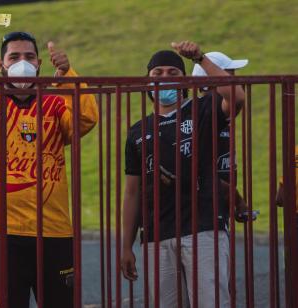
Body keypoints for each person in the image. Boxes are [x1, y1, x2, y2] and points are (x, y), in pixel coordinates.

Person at [0, 19, 98, 308]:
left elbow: (86, 119)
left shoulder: (56, 102)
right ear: (0, 65)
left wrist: (67, 75)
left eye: (28, 57)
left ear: (39, 64)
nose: (22, 63)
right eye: (14, 57)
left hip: (52, 229)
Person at [121, 41, 245, 307]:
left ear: (186, 80)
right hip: (156, 234)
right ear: (147, 83)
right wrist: (125, 245)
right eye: (157, 73)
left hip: (203, 229)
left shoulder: (203, 109)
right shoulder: (137, 131)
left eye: (173, 73)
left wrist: (200, 58)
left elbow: (236, 96)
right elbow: (132, 191)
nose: (165, 78)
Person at [193, 51, 252, 222]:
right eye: (228, 74)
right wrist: (238, 200)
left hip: (216, 205)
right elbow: (201, 174)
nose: (235, 79)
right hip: (204, 213)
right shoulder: (207, 112)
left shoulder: (215, 111)